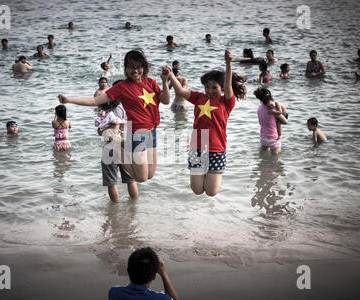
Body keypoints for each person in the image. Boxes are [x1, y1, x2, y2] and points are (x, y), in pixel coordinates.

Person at [58, 49, 171, 183]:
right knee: (141, 178)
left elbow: (165, 100)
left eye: (138, 67)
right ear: (125, 69)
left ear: (144, 67)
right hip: (136, 133)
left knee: (150, 175)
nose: (135, 71)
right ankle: (118, 148)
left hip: (152, 131)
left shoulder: (150, 82)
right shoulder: (122, 87)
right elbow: (95, 101)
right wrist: (69, 100)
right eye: (130, 67)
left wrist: (164, 81)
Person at [168, 49, 246, 197]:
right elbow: (181, 91)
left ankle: (210, 176)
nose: (210, 90)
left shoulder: (226, 102)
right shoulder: (199, 97)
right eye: (207, 87)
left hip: (217, 148)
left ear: (221, 88)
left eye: (214, 87)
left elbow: (229, 86)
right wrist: (171, 74)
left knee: (211, 192)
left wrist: (228, 63)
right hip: (197, 146)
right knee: (197, 191)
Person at [97, 84, 138, 202]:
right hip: (126, 145)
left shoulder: (115, 109)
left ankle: (114, 212)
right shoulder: (131, 105)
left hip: (111, 147)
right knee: (130, 179)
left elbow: (112, 131)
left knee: (111, 182)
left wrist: (101, 130)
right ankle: (134, 207)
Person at [108, 247, 178, 300]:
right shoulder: (161, 298)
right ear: (154, 277)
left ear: (128, 271)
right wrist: (163, 274)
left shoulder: (114, 292)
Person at [254, 87, 288, 155]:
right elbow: (285, 122)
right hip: (273, 138)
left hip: (263, 138)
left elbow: (260, 123)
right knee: (275, 162)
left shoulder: (259, 109)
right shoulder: (272, 109)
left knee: (263, 160)